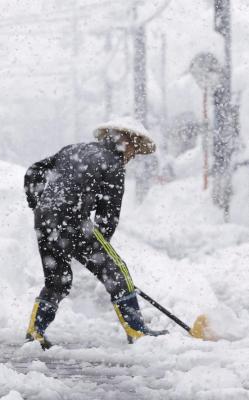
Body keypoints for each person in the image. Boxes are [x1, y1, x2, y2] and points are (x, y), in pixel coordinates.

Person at [23, 117, 168, 349]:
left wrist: (39, 205)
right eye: (134, 150)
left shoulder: (73, 149)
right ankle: (137, 331)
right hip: (74, 221)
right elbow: (108, 216)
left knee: (58, 280)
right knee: (118, 272)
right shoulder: (112, 164)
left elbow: (34, 171)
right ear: (126, 142)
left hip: (45, 220)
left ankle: (35, 330)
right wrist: (100, 253)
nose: (132, 157)